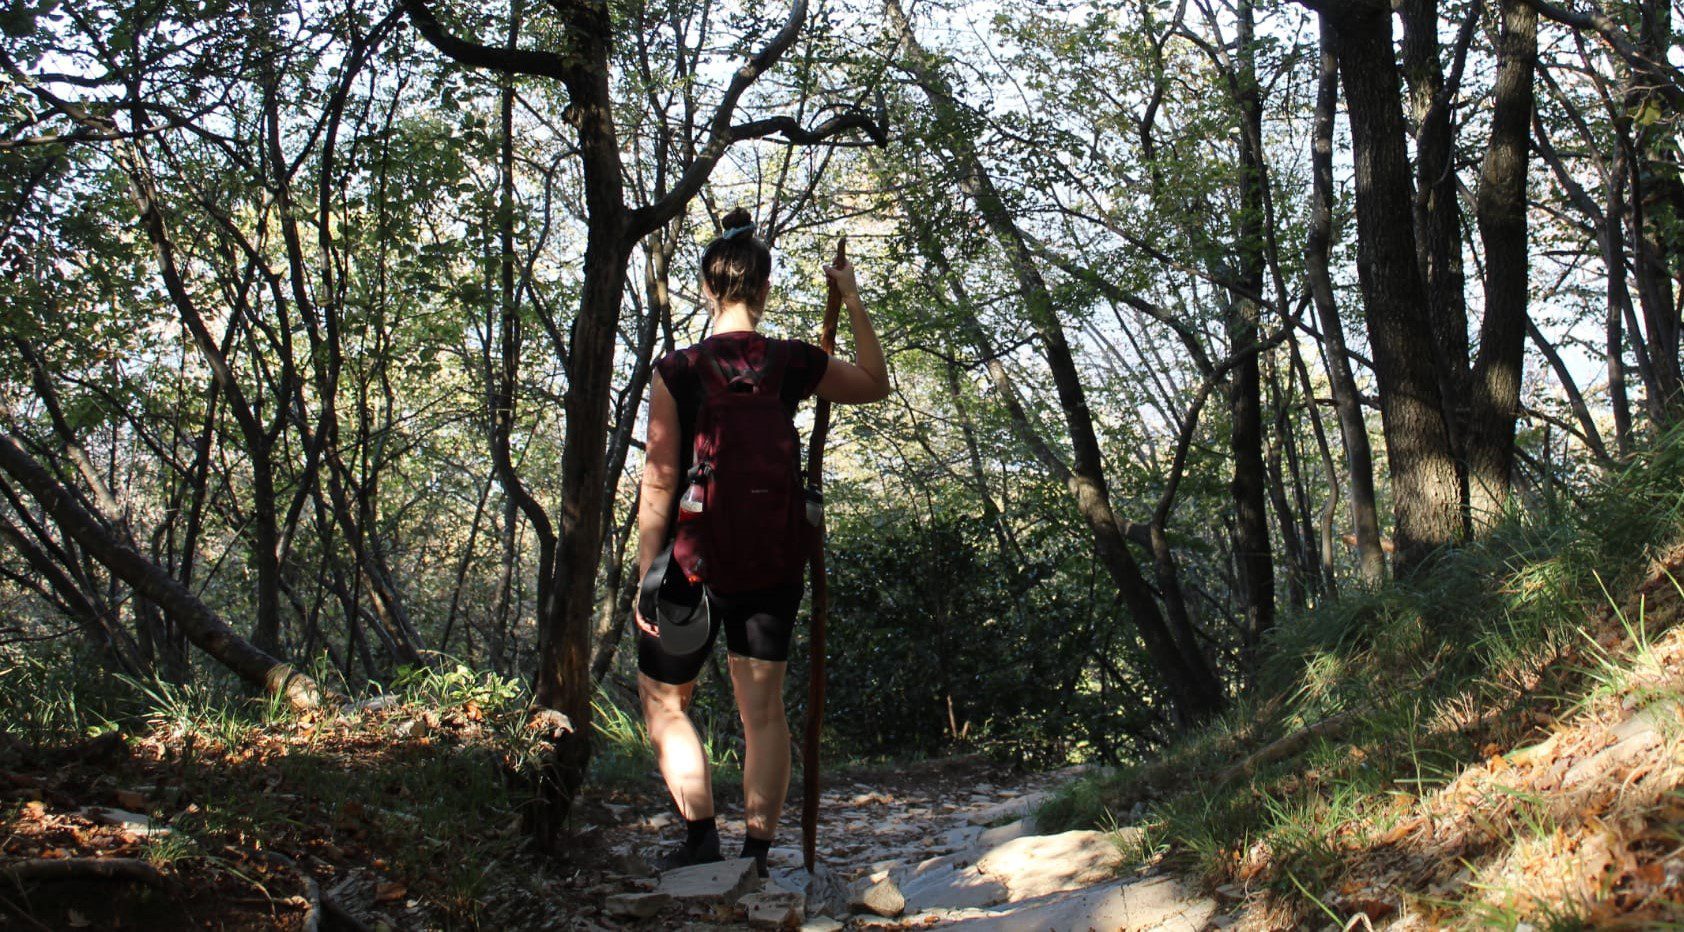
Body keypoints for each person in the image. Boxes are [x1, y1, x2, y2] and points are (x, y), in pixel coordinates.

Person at [634, 207, 889, 875]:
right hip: (774, 560)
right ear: (765, 290)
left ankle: (699, 841)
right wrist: (851, 297)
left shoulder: (678, 369)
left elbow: (658, 484)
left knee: (665, 703)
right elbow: (873, 383)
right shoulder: (792, 363)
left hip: (690, 563)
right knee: (763, 712)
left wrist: (646, 575)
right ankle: (755, 855)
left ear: (706, 287)